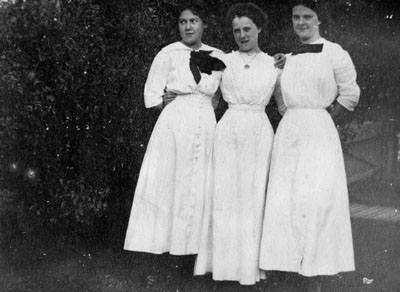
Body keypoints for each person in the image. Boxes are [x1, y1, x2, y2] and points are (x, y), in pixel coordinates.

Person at [259, 1, 360, 291]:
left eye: (307, 17)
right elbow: (279, 97)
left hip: (319, 130)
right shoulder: (286, 58)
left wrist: (326, 115)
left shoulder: (334, 52)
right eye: (296, 17)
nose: (301, 22)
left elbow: (350, 92)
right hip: (290, 130)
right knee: (287, 196)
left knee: (318, 197)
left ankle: (317, 269)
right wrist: (294, 116)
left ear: (319, 20)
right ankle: (288, 265)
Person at [124, 0, 225, 271]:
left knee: (201, 181)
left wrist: (211, 103)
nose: (188, 26)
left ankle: (194, 250)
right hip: (174, 124)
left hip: (205, 121)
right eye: (183, 22)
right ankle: (166, 251)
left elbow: (226, 90)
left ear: (204, 24)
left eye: (193, 21)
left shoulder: (219, 55)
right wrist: (166, 103)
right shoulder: (167, 54)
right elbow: (151, 94)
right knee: (172, 181)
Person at [194, 3, 279, 285]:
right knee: (225, 198)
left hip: (259, 132)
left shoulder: (275, 63)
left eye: (247, 29)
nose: (242, 35)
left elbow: (286, 101)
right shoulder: (221, 59)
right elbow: (205, 93)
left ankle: (250, 268)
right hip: (229, 130)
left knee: (254, 198)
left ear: (259, 29)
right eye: (236, 30)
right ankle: (222, 267)